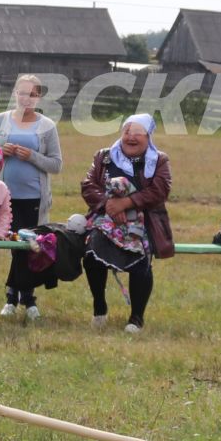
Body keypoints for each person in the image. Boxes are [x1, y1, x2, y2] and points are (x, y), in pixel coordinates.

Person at [81, 113, 174, 333]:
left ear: (148, 137)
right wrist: (109, 205)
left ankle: (136, 319)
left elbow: (160, 190)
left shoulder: (159, 160)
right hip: (106, 218)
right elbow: (88, 186)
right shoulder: (103, 156)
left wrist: (128, 203)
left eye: (137, 134)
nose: (130, 138)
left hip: (144, 221)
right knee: (91, 256)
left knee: (141, 264)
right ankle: (99, 307)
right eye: (126, 133)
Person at [0, 75, 63, 319]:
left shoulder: (47, 126)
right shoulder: (0, 120)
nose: (26, 98)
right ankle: (24, 299)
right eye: (22, 93)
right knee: (14, 246)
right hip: (3, 196)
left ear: (38, 97)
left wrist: (32, 156)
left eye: (32, 94)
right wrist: (1, 153)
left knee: (28, 246)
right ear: (15, 93)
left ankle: (18, 299)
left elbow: (56, 164)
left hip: (34, 198)